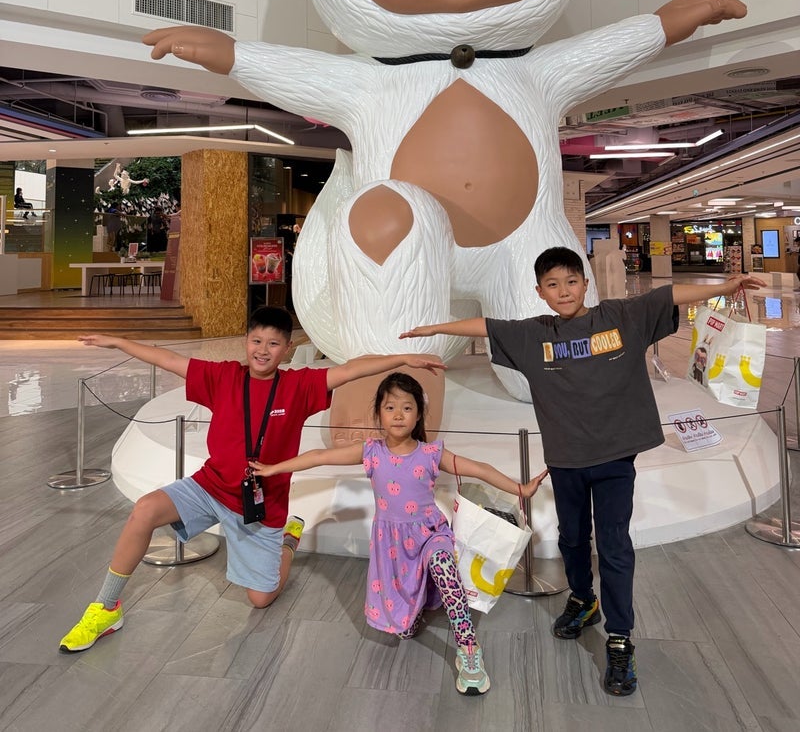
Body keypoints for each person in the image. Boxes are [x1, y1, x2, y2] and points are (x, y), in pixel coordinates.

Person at [400, 247, 767, 697]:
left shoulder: (620, 317)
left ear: (586, 284)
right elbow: (487, 327)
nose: (564, 291)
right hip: (566, 460)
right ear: (540, 292)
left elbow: (667, 295)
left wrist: (725, 286)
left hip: (615, 459)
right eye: (552, 285)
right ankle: (582, 599)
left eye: (571, 282)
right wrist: (435, 329)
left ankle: (620, 639)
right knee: (572, 538)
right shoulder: (534, 335)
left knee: (613, 546)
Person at [58, 306, 444, 654]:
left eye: (273, 343)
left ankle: (288, 542)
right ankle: (106, 608)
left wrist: (402, 358)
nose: (263, 350)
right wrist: (118, 342)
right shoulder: (223, 376)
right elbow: (168, 359)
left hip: (262, 506)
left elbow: (351, 369)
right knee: (144, 510)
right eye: (256, 340)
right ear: (246, 341)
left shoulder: (298, 386)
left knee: (260, 598)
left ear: (287, 349)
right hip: (210, 487)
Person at [250, 371, 548, 696]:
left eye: (407, 407)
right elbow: (319, 457)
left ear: (419, 414)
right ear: (378, 412)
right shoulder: (371, 452)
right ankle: (417, 608)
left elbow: (478, 468)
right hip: (392, 546)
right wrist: (274, 468)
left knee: (444, 568)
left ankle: (469, 650)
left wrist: (520, 489)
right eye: (390, 407)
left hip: (431, 534)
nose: (398, 415)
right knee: (404, 628)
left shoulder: (431, 454)